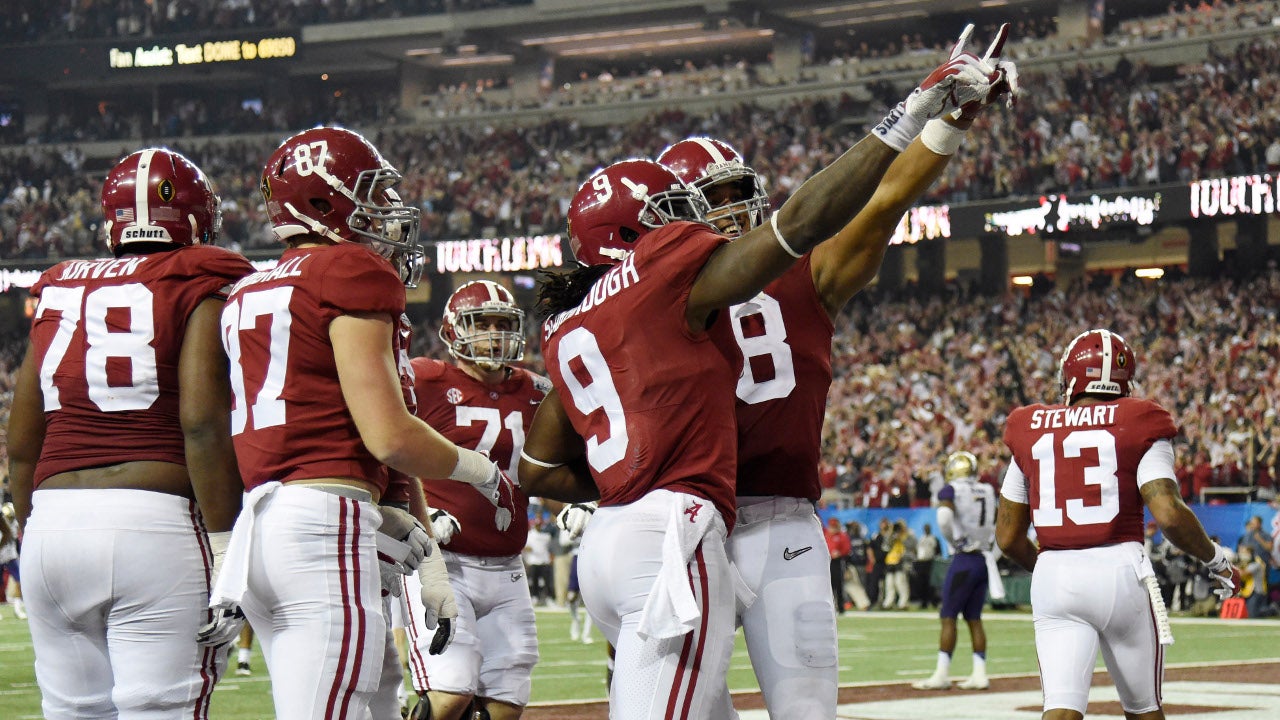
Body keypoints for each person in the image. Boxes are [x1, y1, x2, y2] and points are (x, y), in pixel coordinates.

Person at [518, 33, 1008, 717]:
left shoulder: (778, 279)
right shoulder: (652, 297)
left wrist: (946, 122)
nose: (727, 212)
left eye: (733, 195)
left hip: (758, 521)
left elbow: (881, 204)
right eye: (705, 200)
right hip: (687, 523)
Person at [198, 127, 511, 719]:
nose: (387, 212)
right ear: (323, 202)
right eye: (373, 195)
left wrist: (432, 563)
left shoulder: (249, 289)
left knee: (376, 703)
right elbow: (390, 435)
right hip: (322, 526)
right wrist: (479, 471)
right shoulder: (348, 270)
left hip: (263, 528)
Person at [6, 148, 254, 718]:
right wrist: (226, 550)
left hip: (52, 525)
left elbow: (22, 446)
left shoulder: (61, 288)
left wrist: (34, 537)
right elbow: (200, 422)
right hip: (156, 525)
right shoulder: (204, 275)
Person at [996, 329, 1242, 720]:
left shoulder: (1030, 425)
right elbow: (1169, 513)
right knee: (1144, 710)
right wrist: (1216, 560)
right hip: (1120, 570)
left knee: (1059, 711)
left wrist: (1051, 567)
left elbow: (1008, 538)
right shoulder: (1141, 418)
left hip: (1054, 574)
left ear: (1071, 378)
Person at [399, 279, 547, 720]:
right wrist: (416, 512)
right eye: (482, 324)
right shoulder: (425, 379)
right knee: (448, 696)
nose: (495, 334)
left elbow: (557, 464)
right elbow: (385, 446)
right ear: (453, 328)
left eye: (504, 323)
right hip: (444, 560)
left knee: (504, 707)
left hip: (508, 564)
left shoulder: (538, 391)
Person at [914, 450, 998, 691]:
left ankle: (941, 674)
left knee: (948, 616)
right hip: (983, 558)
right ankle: (980, 674)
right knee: (974, 618)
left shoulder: (951, 490)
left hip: (964, 559)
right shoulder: (988, 490)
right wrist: (992, 554)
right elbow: (1002, 524)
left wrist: (954, 540)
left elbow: (943, 517)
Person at [825, 517, 851, 612]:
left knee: (839, 585)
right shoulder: (825, 535)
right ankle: (830, 607)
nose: (832, 529)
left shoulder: (842, 536)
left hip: (838, 562)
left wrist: (840, 553)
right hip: (827, 562)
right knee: (828, 586)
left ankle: (841, 607)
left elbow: (847, 549)